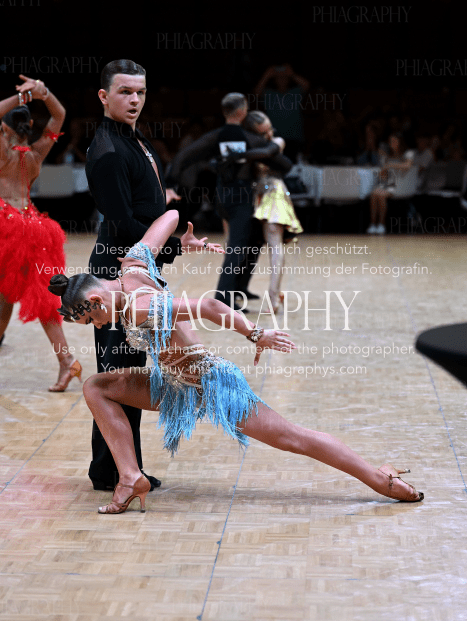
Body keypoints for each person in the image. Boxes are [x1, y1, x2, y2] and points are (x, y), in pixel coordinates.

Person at [49, 210, 424, 514]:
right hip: (174, 384)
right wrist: (183, 242)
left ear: (95, 301)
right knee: (96, 386)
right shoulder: (133, 265)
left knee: (291, 437)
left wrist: (256, 334)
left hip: (211, 385)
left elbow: (210, 306)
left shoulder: (140, 307)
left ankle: (379, 479)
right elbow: (171, 215)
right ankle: (131, 478)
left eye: (92, 320)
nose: (99, 326)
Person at [85, 59, 203, 492]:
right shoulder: (108, 151)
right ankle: (113, 471)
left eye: (140, 92)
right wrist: (169, 245)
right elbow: (121, 224)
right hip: (116, 275)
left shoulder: (133, 139)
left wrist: (174, 243)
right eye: (125, 92)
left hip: (136, 269)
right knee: (119, 377)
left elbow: (144, 209)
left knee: (127, 374)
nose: (134, 99)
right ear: (104, 96)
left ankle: (113, 468)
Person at [169, 93, 292, 309]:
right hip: (241, 198)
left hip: (221, 197)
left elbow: (184, 156)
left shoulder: (216, 136)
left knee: (250, 242)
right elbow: (284, 164)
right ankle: (223, 298)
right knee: (237, 247)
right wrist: (273, 146)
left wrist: (170, 183)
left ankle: (239, 288)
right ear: (242, 111)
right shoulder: (249, 138)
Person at [0, 75, 82, 391]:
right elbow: (60, 115)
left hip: (8, 229)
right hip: (34, 228)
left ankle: (67, 362)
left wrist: (22, 97)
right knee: (32, 301)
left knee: (7, 299)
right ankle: (67, 361)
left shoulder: (3, 152)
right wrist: (43, 93)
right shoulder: (36, 153)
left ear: (6, 128)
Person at [243, 111, 303, 313]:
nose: (270, 133)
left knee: (274, 244)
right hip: (255, 195)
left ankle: (273, 295)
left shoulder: (276, 142)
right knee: (252, 244)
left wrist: (238, 154)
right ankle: (245, 289)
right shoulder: (250, 144)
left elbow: (268, 152)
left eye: (270, 128)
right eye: (263, 132)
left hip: (274, 192)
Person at [253, 63, 309, 162]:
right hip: (274, 138)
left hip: (294, 138)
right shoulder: (268, 93)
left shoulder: (295, 92)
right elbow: (256, 93)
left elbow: (306, 85)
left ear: (288, 80)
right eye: (279, 78)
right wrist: (267, 75)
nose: (282, 80)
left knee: (294, 166)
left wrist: (292, 74)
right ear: (275, 80)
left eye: (284, 78)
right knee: (275, 166)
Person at [367, 132, 417, 235]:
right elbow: (384, 176)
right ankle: (373, 224)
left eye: (394, 141)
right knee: (373, 194)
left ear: (400, 142)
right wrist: (383, 170)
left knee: (381, 195)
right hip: (388, 183)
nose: (392, 143)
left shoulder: (408, 153)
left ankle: (382, 224)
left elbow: (407, 165)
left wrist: (389, 165)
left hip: (401, 185)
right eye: (390, 141)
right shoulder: (387, 156)